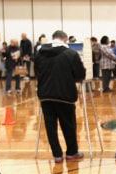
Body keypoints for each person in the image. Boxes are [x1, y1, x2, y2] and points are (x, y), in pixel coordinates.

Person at [35, 30, 86, 163]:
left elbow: (36, 72)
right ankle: (71, 152)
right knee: (68, 124)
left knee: (50, 126)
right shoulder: (70, 54)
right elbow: (80, 74)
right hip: (65, 94)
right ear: (64, 40)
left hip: (45, 94)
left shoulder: (40, 54)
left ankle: (57, 155)